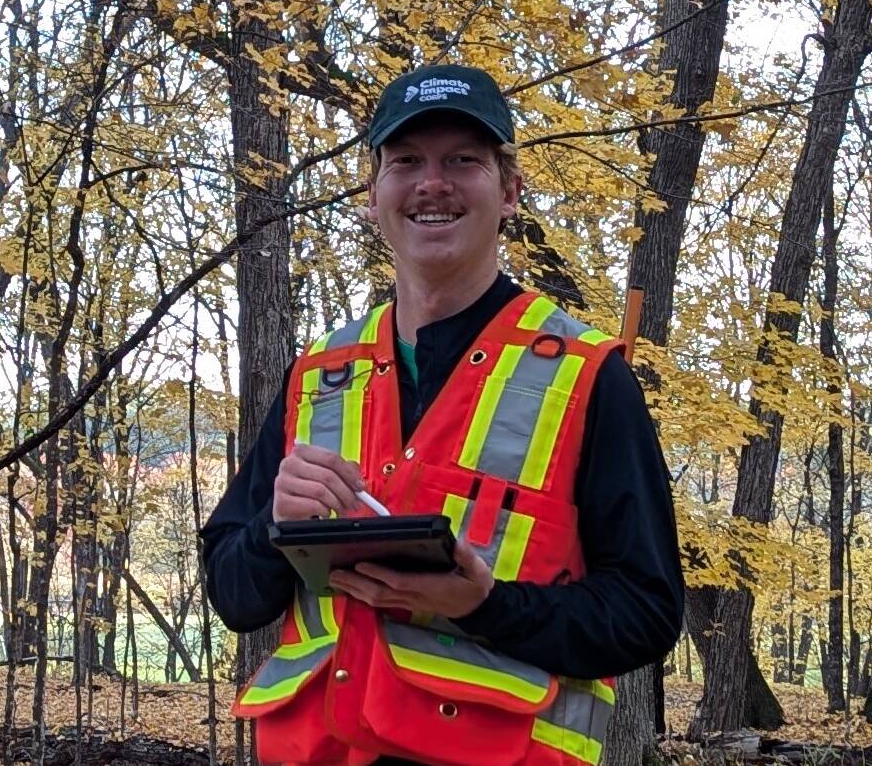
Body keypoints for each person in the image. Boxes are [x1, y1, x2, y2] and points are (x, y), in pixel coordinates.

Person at [201, 64, 684, 766]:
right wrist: (275, 531)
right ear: (373, 197)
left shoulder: (586, 374)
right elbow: (233, 592)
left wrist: (483, 604)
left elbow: (643, 614)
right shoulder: (319, 373)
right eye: (406, 161)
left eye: (463, 159)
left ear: (509, 191)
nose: (433, 183)